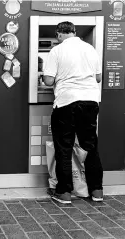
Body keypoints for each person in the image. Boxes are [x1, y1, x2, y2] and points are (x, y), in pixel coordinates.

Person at [43, 21, 103, 204]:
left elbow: (48, 80)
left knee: (64, 148)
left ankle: (64, 193)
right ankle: (97, 191)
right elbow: (98, 77)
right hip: (90, 102)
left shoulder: (57, 50)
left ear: (59, 34)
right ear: (75, 32)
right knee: (90, 147)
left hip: (67, 102)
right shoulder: (90, 49)